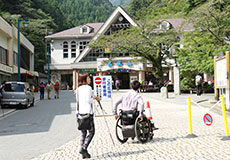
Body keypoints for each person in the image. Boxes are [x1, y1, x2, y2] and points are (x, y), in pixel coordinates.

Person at [75, 73, 100, 159]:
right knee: (92, 132)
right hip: (88, 113)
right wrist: (95, 98)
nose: (90, 79)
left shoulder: (77, 89)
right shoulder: (89, 88)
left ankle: (84, 154)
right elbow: (89, 100)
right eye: (89, 78)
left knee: (83, 133)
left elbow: (78, 101)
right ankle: (83, 148)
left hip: (79, 113)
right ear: (85, 79)